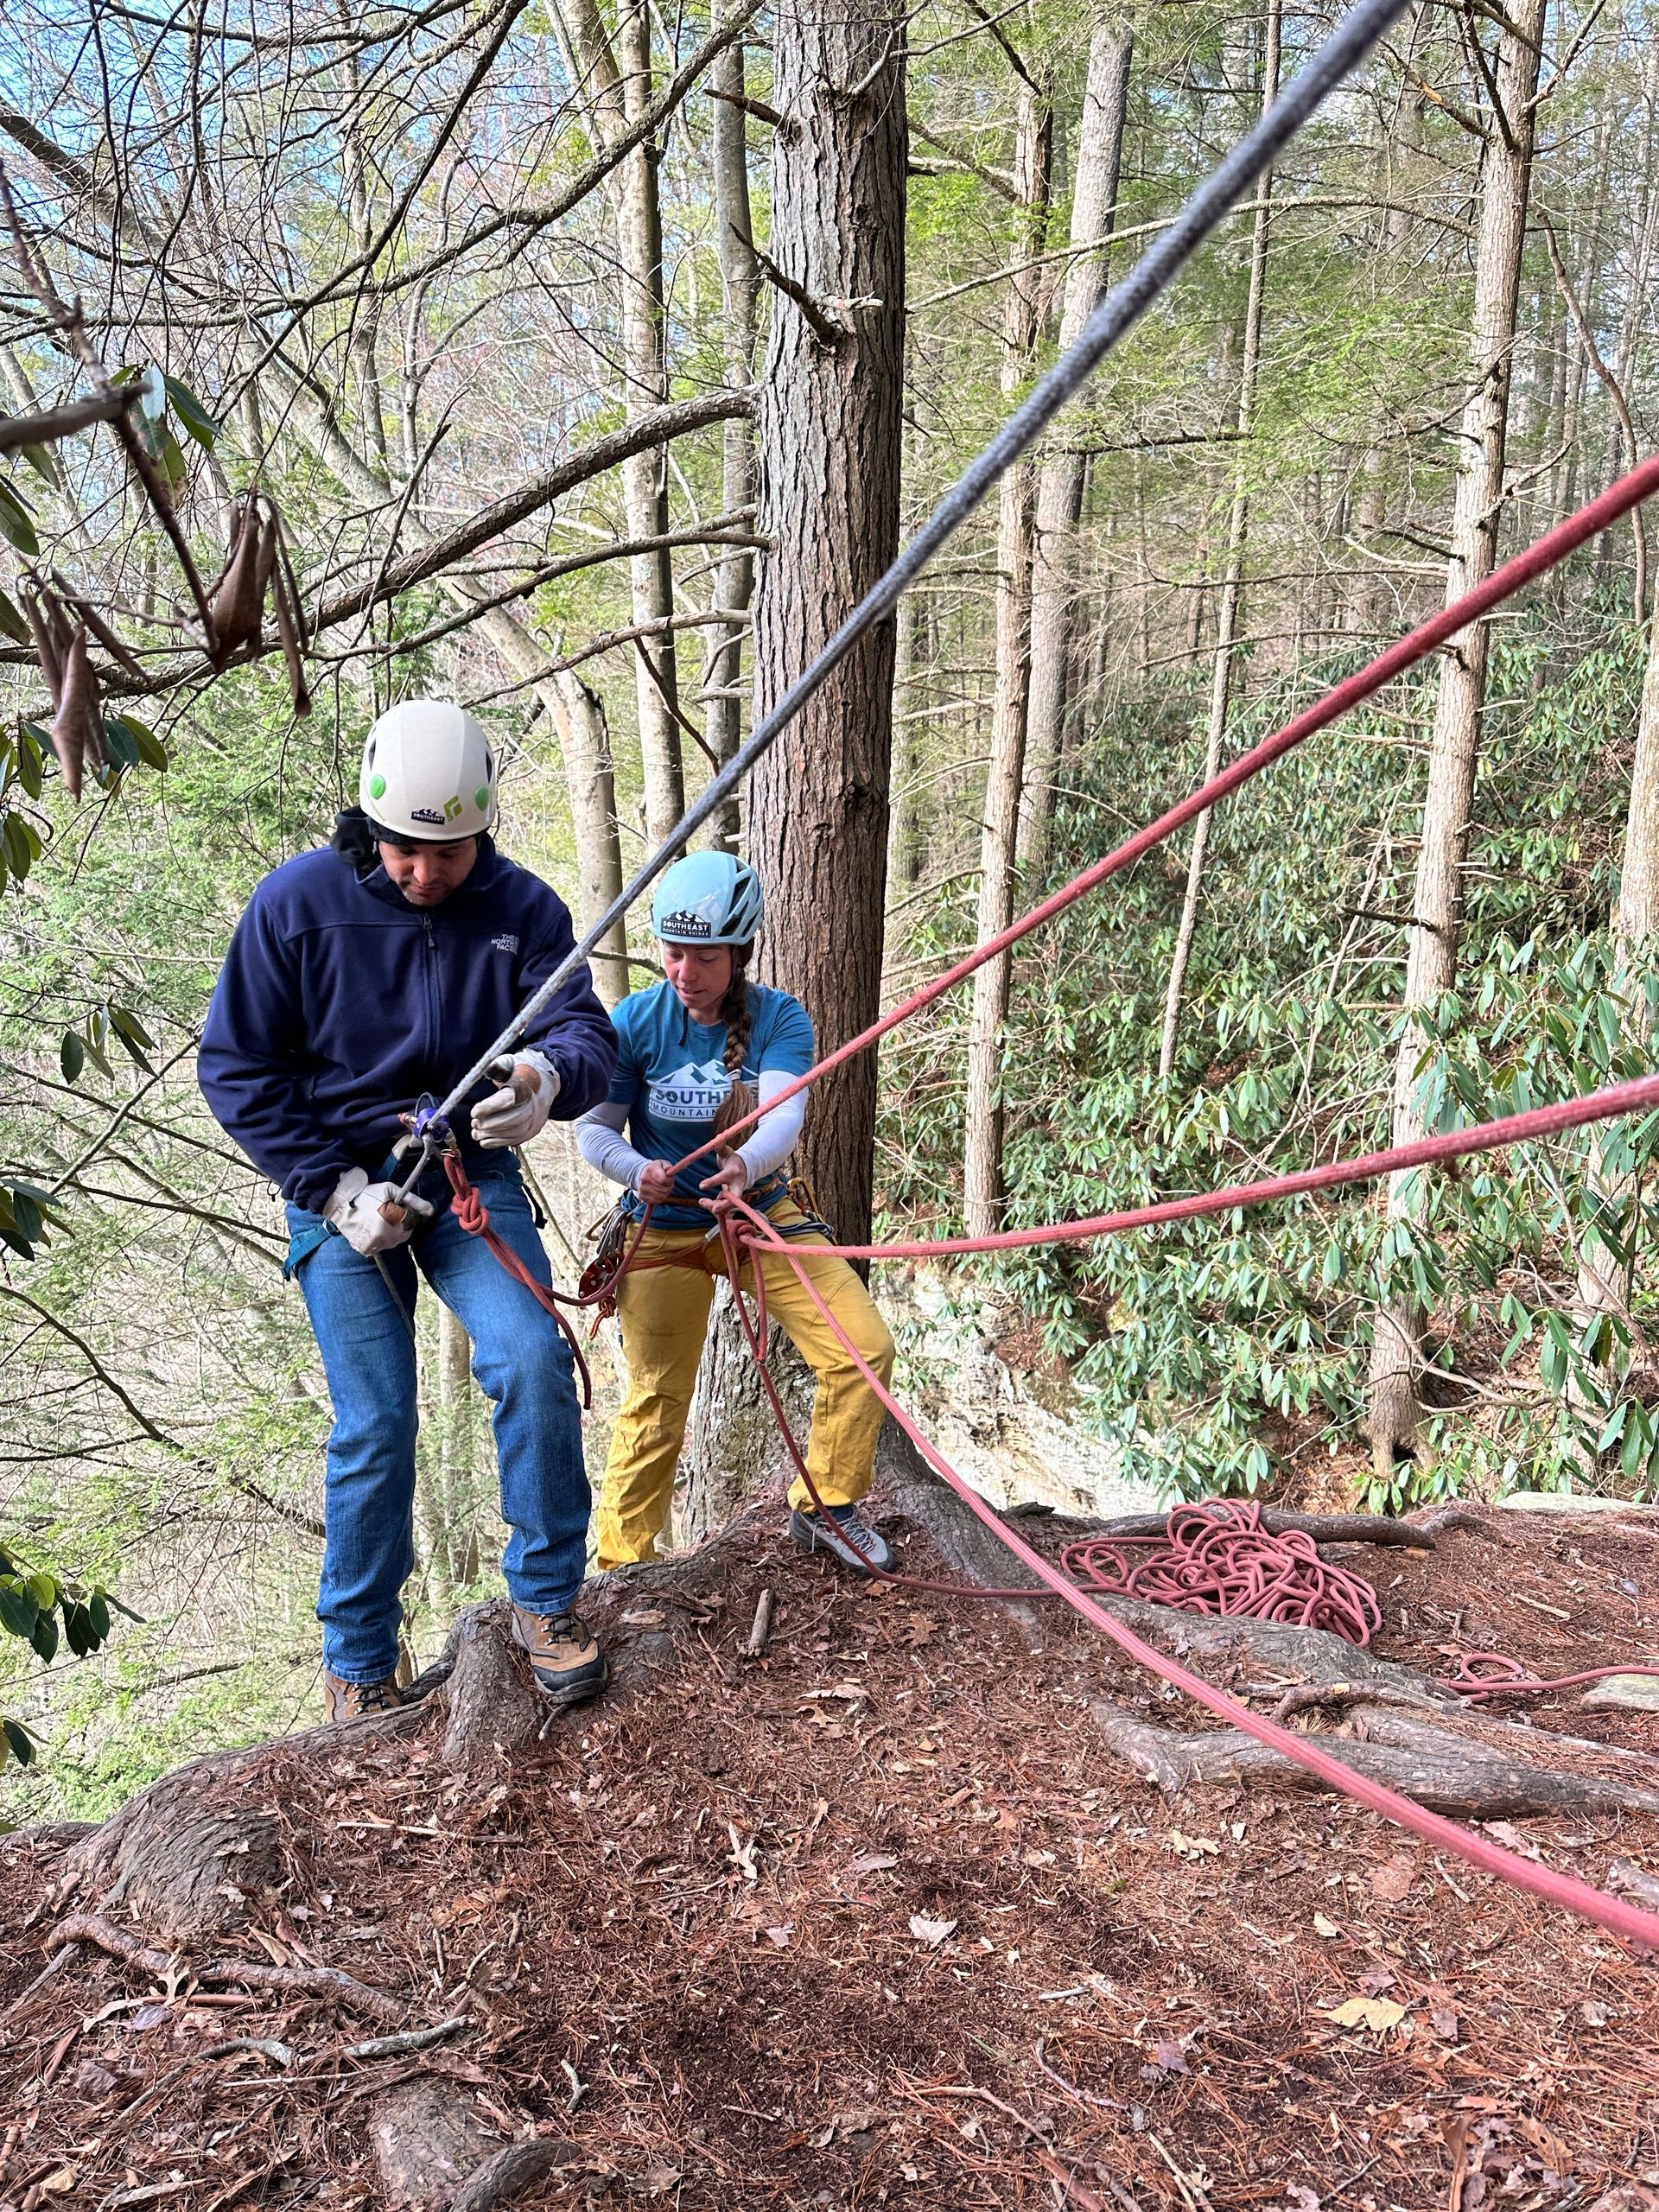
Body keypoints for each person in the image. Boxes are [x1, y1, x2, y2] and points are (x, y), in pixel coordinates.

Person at [199, 699, 617, 1721]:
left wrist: (541, 1079)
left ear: (483, 829)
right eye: (404, 850)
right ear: (369, 826)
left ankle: (549, 1601)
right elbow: (237, 1067)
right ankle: (357, 1658)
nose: (425, 873)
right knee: (379, 1420)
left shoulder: (522, 909)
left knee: (528, 1358)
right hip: (339, 1183)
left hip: (464, 1177)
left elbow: (586, 1035)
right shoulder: (297, 906)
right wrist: (333, 1189)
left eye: (448, 851)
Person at [575, 850, 897, 1574]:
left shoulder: (780, 1017)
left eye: (704, 957)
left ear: (740, 953)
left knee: (861, 1348)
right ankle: (624, 1566)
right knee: (657, 1397)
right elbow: (594, 1128)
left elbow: (783, 1118)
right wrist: (637, 1169)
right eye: (673, 951)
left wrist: (744, 1166)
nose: (684, 970)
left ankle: (826, 1506)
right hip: (660, 1231)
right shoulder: (635, 1020)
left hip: (756, 1214)